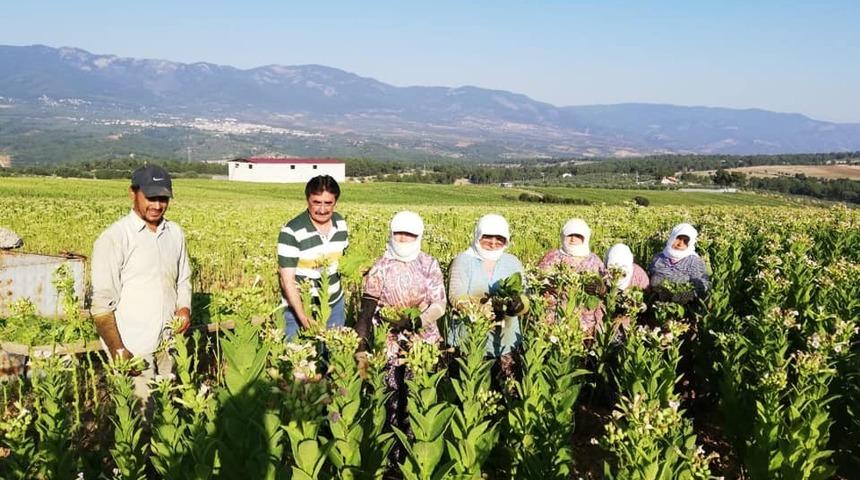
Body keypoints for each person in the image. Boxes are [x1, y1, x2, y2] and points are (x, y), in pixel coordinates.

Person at [91, 164, 192, 407]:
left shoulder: (175, 234)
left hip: (169, 343)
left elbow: (183, 279)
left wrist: (184, 308)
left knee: (168, 412)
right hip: (134, 350)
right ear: (132, 193)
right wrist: (119, 351)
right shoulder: (115, 238)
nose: (157, 205)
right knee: (139, 418)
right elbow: (101, 307)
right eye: (151, 197)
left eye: (163, 198)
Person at [354, 211, 446, 434]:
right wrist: (361, 348)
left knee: (418, 397)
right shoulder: (380, 266)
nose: (403, 239)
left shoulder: (428, 264)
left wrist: (416, 321)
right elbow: (367, 310)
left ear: (419, 236)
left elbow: (439, 304)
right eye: (399, 234)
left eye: (409, 234)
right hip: (389, 344)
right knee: (391, 400)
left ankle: (416, 449)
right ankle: (392, 459)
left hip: (422, 344)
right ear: (391, 234)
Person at [448, 214, 527, 379]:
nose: (493, 242)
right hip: (471, 339)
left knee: (508, 391)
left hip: (506, 340)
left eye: (499, 238)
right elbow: (455, 296)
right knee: (471, 390)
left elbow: (525, 296)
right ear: (478, 236)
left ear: (506, 239)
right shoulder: (463, 261)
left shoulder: (512, 262)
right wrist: (487, 308)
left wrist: (519, 306)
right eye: (487, 237)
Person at [278, 175, 349, 339]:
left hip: (334, 306)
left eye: (328, 203)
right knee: (298, 358)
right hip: (298, 310)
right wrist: (303, 317)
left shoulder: (341, 224)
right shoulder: (291, 231)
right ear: (307, 200)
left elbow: (344, 260)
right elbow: (287, 280)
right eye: (317, 202)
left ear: (335, 202)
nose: (322, 209)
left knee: (333, 358)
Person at [537, 218, 605, 333]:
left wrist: (599, 288)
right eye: (570, 235)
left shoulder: (594, 260)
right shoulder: (552, 256)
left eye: (578, 236)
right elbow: (539, 281)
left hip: (585, 320)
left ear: (585, 238)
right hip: (555, 315)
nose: (573, 239)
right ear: (563, 236)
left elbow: (604, 287)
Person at [648, 223, 710, 303]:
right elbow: (650, 275)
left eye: (685, 241)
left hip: (684, 304)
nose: (680, 244)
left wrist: (688, 296)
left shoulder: (694, 261)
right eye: (678, 238)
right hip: (658, 300)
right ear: (672, 238)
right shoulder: (658, 257)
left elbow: (703, 285)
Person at [603, 243, 650, 331]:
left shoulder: (639, 275)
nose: (618, 271)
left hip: (633, 319)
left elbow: (646, 301)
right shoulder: (603, 273)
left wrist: (634, 307)